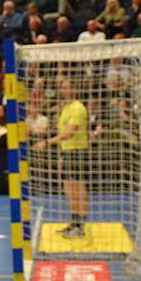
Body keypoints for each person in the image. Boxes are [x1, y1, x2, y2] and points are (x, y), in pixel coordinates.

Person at [34, 81, 89, 238]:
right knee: (68, 189)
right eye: (62, 87)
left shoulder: (77, 107)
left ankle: (80, 226)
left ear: (73, 88)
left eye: (66, 87)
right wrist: (62, 155)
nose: (62, 90)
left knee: (78, 189)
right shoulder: (66, 107)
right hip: (68, 152)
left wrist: (47, 143)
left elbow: (70, 133)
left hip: (78, 152)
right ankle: (74, 223)